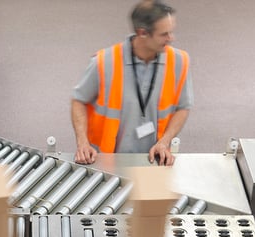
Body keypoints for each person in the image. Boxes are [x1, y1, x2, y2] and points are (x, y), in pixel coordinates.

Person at [71, 0, 192, 166]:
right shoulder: (104, 62)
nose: (171, 38)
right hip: (107, 162)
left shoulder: (179, 61)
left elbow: (183, 107)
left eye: (171, 32)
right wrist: (82, 143)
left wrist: (165, 141)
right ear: (142, 33)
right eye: (164, 34)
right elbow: (79, 100)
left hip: (153, 160)